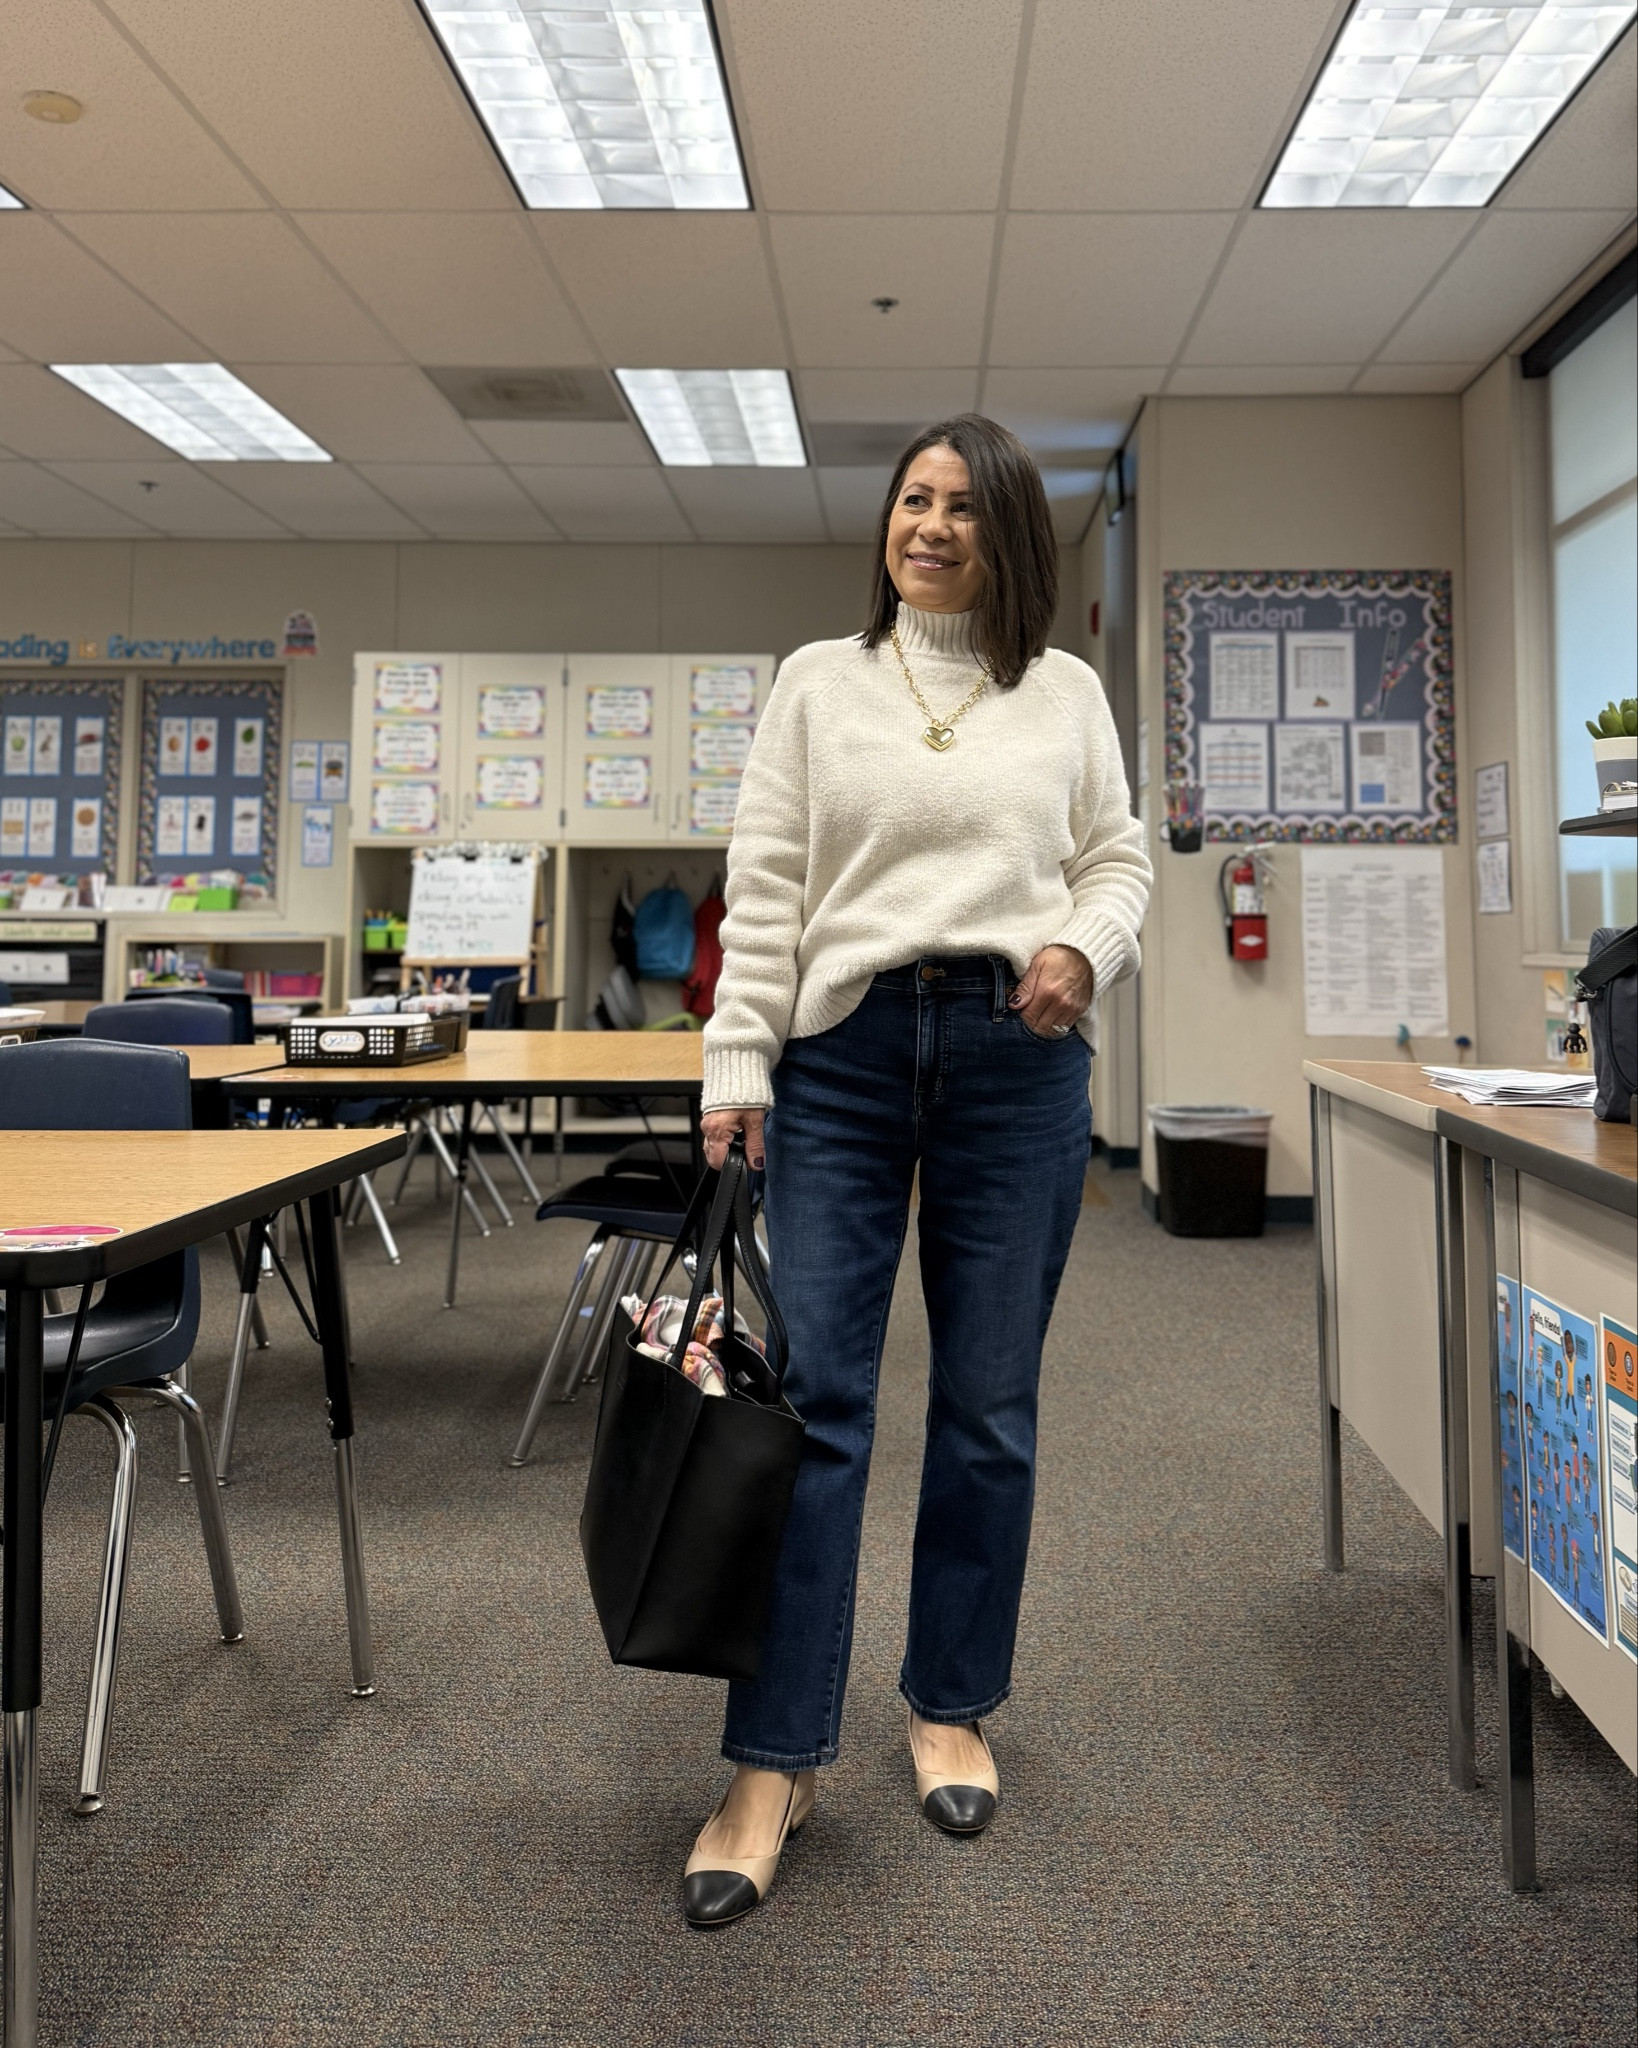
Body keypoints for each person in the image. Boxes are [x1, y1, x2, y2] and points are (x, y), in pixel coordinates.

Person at [683, 414, 1151, 1928]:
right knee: (815, 1403)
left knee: (988, 1405)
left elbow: (1117, 860)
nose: (929, 525)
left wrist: (1087, 944)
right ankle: (772, 1759)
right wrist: (734, 1061)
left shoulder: (1064, 691)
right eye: (910, 500)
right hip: (844, 1051)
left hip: (1017, 1056)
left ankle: (948, 1703)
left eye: (960, 506)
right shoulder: (819, 684)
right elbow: (762, 886)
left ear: (1006, 532)